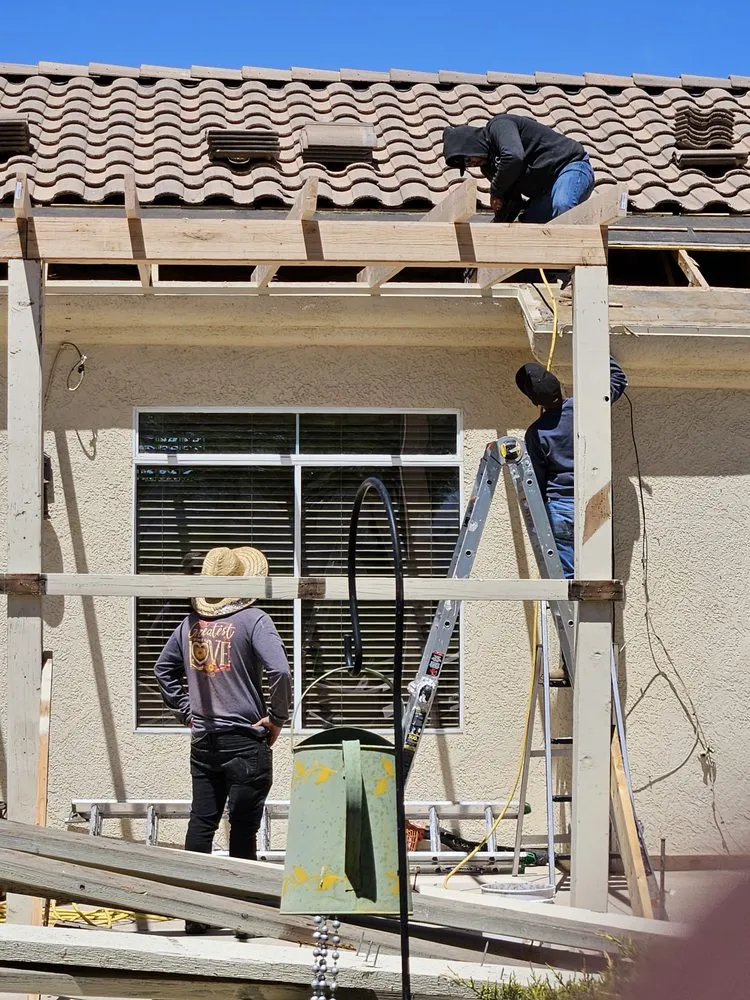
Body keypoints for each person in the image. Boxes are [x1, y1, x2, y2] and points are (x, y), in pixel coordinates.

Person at [154, 544, 292, 936]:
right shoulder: (254, 620)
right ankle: (243, 919)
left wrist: (187, 712)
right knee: (244, 828)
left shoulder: (190, 626)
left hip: (204, 742)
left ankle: (196, 914)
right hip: (246, 742)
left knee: (202, 823)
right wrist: (278, 719)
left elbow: (162, 670)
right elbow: (280, 672)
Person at [515, 358, 628, 578]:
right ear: (558, 385)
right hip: (595, 500)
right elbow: (619, 380)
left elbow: (535, 483)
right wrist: (603, 352)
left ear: (535, 401)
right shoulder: (587, 408)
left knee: (567, 581)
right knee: (597, 576)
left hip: (560, 507)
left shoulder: (537, 433)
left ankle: (571, 613)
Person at [443, 114, 595, 225]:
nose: (473, 164)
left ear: (471, 145)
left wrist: (495, 191)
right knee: (527, 223)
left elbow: (514, 157)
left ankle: (567, 265)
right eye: (468, 165)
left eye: (469, 159)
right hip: (546, 193)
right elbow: (513, 203)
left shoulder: (499, 126)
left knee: (562, 205)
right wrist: (498, 223)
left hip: (571, 168)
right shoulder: (489, 169)